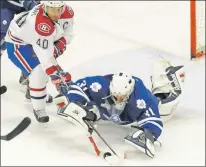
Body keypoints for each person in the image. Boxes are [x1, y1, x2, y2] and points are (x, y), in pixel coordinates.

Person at [54, 58, 184, 158]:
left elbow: (154, 120)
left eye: (122, 97)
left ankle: (170, 78)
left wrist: (148, 134)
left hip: (134, 114)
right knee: (93, 110)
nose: (118, 99)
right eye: (115, 95)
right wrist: (78, 103)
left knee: (165, 108)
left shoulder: (142, 99)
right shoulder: (101, 85)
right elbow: (78, 86)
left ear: (129, 93)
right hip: (108, 113)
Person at [5, 1, 74, 123]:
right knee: (39, 72)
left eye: (59, 9)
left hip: (36, 40)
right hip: (18, 43)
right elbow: (45, 58)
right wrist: (57, 77)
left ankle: (30, 82)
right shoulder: (40, 23)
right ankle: (39, 109)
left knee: (41, 71)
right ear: (44, 7)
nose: (56, 13)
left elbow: (68, 34)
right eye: (52, 9)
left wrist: (60, 45)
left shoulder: (67, 13)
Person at [0, 0, 40, 95]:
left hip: (26, 8)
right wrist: (32, 5)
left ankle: (29, 77)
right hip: (8, 5)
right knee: (3, 38)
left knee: (29, 39)